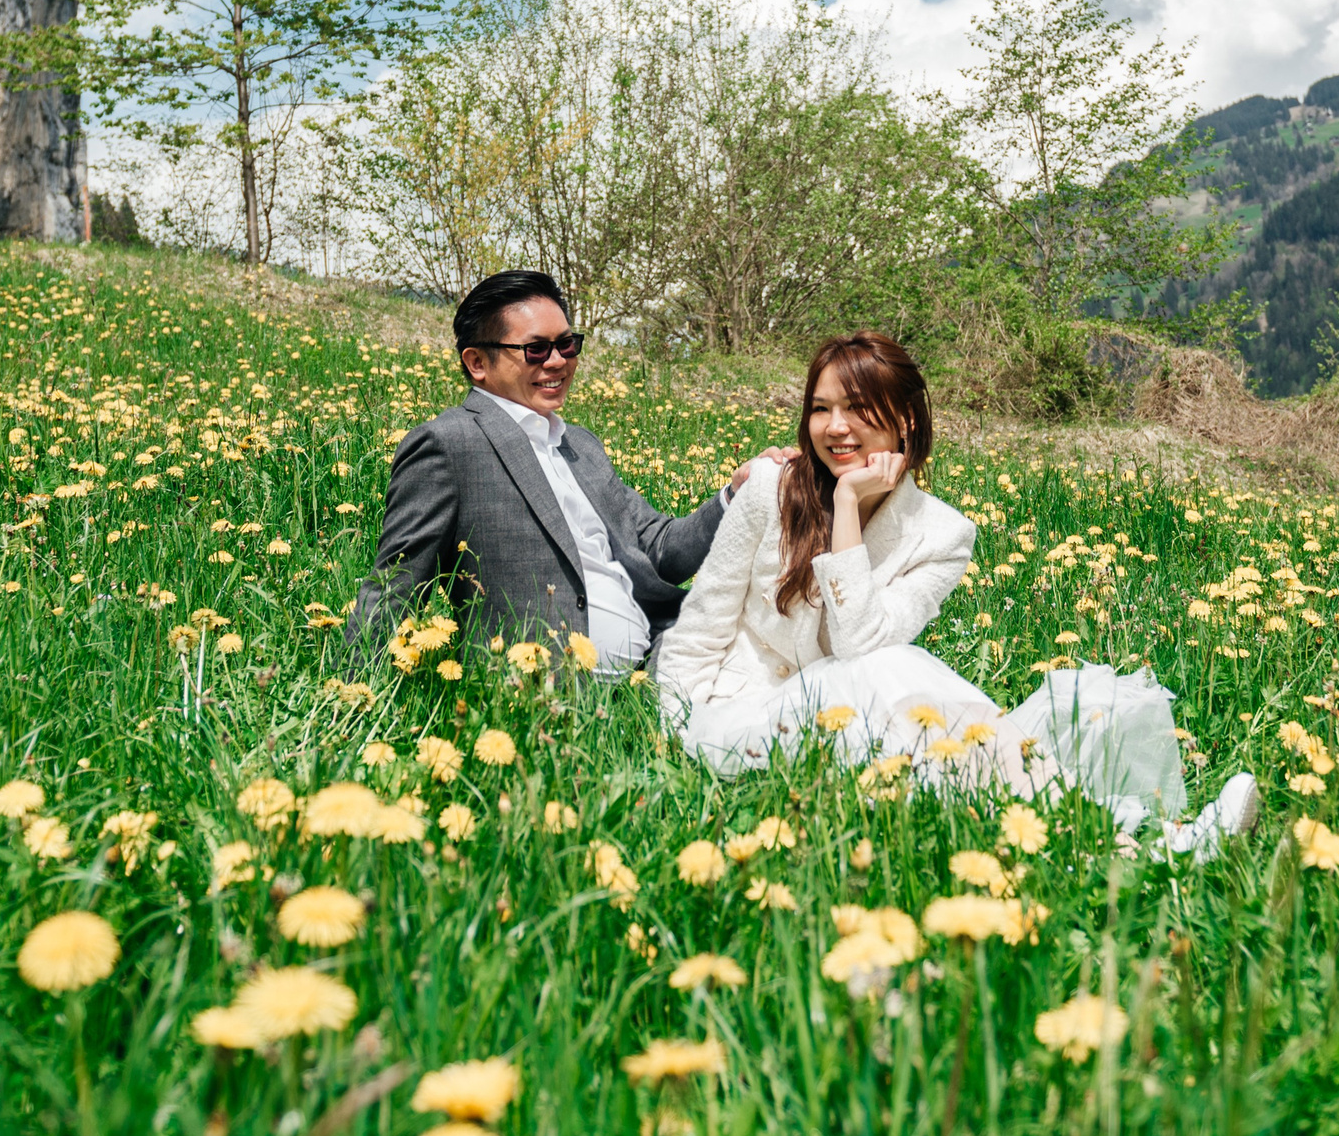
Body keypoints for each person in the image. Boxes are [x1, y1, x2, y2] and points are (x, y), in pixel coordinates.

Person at [655, 329, 1259, 857]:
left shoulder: (942, 534)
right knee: (904, 676)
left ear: (905, 420)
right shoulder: (769, 488)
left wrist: (845, 509)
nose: (834, 427)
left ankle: (1129, 838)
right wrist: (677, 733)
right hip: (741, 721)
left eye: (856, 407)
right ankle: (1131, 838)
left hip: (850, 725)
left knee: (950, 740)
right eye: (820, 408)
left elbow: (856, 642)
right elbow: (701, 626)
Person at [350, 269, 787, 674]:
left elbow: (657, 552)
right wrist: (348, 703)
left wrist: (735, 494)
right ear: (477, 363)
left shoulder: (580, 445)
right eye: (535, 349)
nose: (557, 361)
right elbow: (395, 585)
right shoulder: (448, 445)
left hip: (668, 650)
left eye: (567, 344)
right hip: (553, 688)